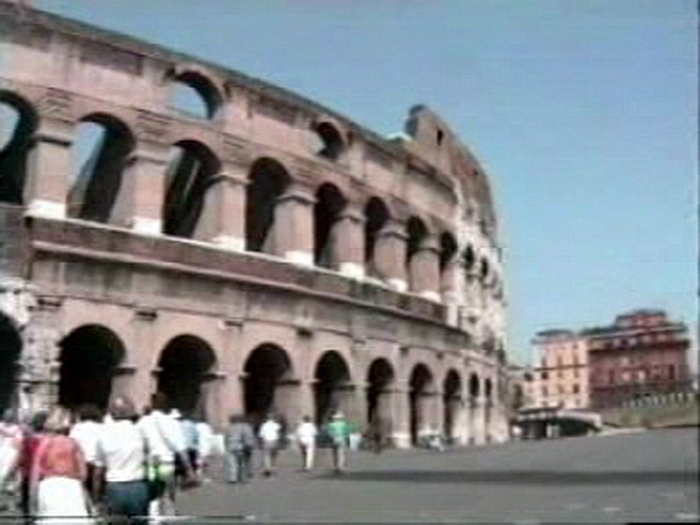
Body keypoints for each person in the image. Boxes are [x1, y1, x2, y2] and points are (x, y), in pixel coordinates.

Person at [29, 406, 92, 524]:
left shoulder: (45, 443)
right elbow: (83, 474)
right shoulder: (74, 444)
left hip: (49, 487)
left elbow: (34, 474)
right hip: (71, 487)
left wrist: (32, 502)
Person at [92, 396, 149, 523]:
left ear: (111, 414)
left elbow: (98, 472)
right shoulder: (140, 432)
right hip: (137, 485)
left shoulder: (103, 435)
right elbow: (148, 457)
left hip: (114, 486)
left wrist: (96, 498)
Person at [137, 393, 193, 519]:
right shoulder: (171, 422)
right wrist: (189, 469)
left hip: (151, 463)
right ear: (165, 404)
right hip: (166, 463)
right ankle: (168, 516)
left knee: (153, 497)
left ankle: (154, 520)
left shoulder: (143, 422)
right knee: (168, 496)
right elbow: (180, 447)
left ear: (152, 403)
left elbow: (138, 444)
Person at [69, 404, 103, 501]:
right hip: (96, 461)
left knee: (81, 484)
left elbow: (72, 443)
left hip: (82, 461)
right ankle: (96, 500)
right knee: (97, 480)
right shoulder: (102, 427)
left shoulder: (76, 428)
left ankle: (83, 500)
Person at [224, 414, 255, 483]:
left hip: (231, 447)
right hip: (241, 447)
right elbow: (248, 437)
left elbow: (225, 438)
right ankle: (242, 478)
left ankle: (233, 478)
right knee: (242, 463)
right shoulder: (244, 427)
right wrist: (250, 446)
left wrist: (226, 446)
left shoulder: (229, 428)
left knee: (232, 464)